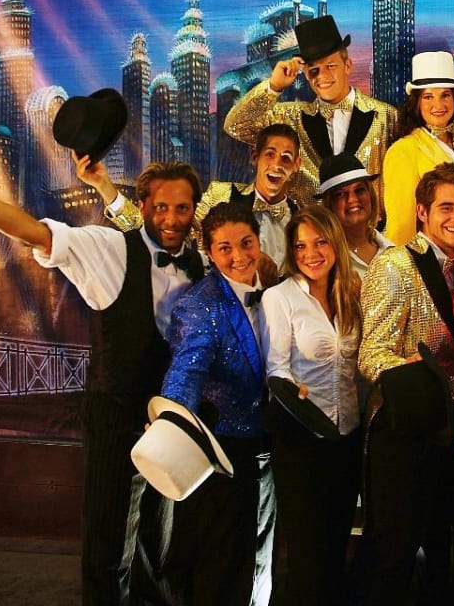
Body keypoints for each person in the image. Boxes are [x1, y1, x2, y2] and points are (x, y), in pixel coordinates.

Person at [0, 159, 203, 606]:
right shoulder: (109, 248)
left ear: (194, 211)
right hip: (116, 416)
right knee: (110, 547)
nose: (171, 219)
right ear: (142, 206)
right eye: (161, 207)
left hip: (170, 421)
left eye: (182, 208)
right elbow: (35, 233)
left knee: (157, 547)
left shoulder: (200, 265)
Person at [357, 162, 454, 606]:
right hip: (402, 431)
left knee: (442, 556)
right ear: (422, 212)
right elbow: (372, 355)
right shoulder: (396, 264)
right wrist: (414, 373)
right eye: (446, 207)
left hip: (453, 432)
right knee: (392, 555)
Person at [158, 201, 269, 605]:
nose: (238, 256)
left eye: (246, 243)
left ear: (258, 241)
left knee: (254, 559)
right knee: (220, 562)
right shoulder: (200, 304)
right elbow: (186, 370)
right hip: (222, 450)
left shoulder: (276, 288)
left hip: (267, 445)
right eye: (225, 248)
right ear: (209, 251)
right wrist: (172, 421)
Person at [260, 205, 363, 606]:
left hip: (347, 436)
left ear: (335, 243)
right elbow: (276, 368)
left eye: (320, 242)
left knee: (337, 548)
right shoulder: (279, 297)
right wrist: (293, 393)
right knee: (307, 555)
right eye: (300, 246)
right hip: (302, 441)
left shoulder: (351, 292)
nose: (310, 253)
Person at [224, 14, 397, 211]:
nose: (322, 76)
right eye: (314, 70)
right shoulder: (290, 118)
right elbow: (235, 125)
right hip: (309, 228)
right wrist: (273, 87)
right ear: (305, 73)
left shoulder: (386, 116)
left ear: (347, 66)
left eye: (330, 66)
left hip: (370, 227)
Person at [84, 122, 301, 269]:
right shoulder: (222, 194)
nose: (277, 165)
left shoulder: (299, 216)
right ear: (255, 157)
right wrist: (105, 188)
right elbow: (165, 232)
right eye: (270, 154)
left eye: (286, 158)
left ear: (296, 165)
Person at [382, 51, 454, 245]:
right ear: (417, 103)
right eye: (428, 97)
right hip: (428, 254)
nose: (438, 104)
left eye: (445, 95)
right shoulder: (404, 150)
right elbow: (401, 224)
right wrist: (407, 262)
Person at [316, 152, 394, 277]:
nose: (352, 199)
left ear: (370, 195)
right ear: (329, 205)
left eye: (359, 190)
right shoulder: (321, 259)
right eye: (340, 194)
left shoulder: (394, 251)